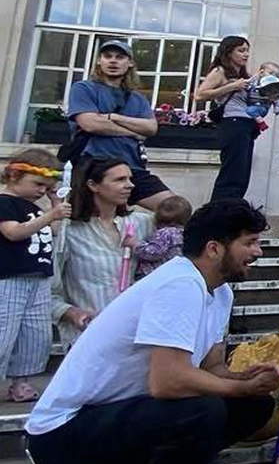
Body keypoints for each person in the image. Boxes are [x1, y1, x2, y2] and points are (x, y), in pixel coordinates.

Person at [25, 199, 279, 464]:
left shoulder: (218, 294)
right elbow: (168, 382)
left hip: (115, 419)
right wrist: (233, 388)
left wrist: (249, 379)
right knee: (201, 412)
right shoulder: (178, 284)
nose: (258, 252)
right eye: (250, 243)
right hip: (61, 434)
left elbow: (212, 369)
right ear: (215, 248)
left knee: (251, 406)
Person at [49, 158, 153, 346]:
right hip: (88, 338)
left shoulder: (143, 223)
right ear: (93, 185)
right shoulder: (69, 231)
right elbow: (46, 291)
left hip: (135, 336)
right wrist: (71, 313)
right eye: (119, 180)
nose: (130, 185)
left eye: (129, 179)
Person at [66, 39, 173, 212]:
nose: (113, 61)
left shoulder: (137, 98)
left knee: (175, 208)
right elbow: (90, 124)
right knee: (95, 219)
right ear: (100, 61)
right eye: (107, 56)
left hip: (132, 168)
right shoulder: (84, 88)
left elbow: (151, 128)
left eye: (120, 57)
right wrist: (132, 132)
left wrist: (114, 117)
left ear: (129, 63)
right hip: (96, 165)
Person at [0, 150, 68, 403]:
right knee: (4, 331)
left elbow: (54, 231)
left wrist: (55, 205)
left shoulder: (35, 208)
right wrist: (50, 215)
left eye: (47, 187)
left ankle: (21, 381)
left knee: (35, 333)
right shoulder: (5, 203)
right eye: (38, 184)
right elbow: (13, 233)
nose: (42, 190)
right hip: (10, 278)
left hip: (38, 278)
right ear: (14, 175)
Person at [194, 35, 261, 202]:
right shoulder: (220, 71)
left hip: (247, 125)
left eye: (247, 51)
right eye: (241, 50)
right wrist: (232, 86)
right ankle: (219, 213)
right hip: (233, 124)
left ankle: (231, 210)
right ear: (229, 52)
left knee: (241, 175)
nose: (246, 55)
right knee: (231, 174)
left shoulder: (242, 74)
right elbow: (199, 95)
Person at [133, 195, 193, 279]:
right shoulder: (184, 234)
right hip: (171, 274)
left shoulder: (166, 233)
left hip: (153, 275)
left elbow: (154, 252)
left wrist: (136, 245)